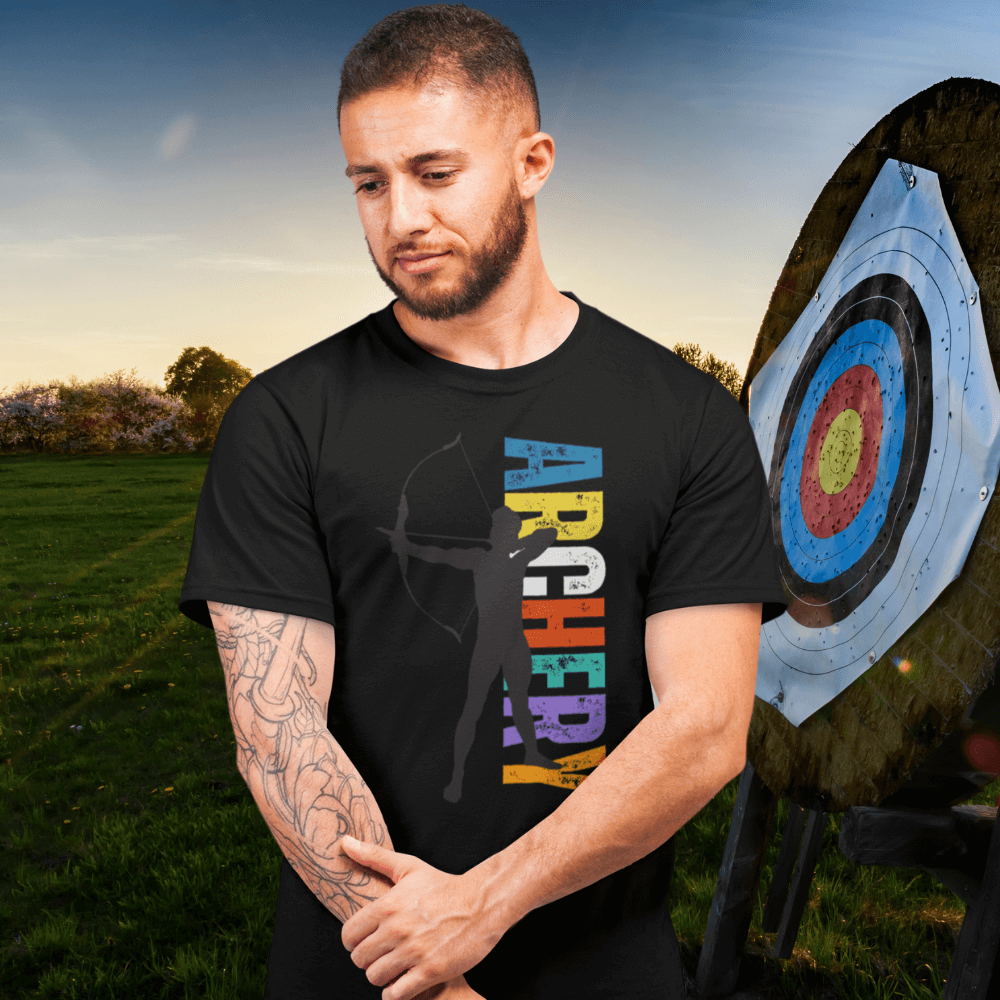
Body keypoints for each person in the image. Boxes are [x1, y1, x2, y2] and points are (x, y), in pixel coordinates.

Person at [178, 5, 787, 999]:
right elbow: (277, 730)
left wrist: (482, 903)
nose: (399, 218)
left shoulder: (682, 416)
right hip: (365, 971)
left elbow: (708, 725)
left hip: (605, 967)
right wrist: (429, 970)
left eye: (434, 172)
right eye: (367, 184)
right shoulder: (286, 416)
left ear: (532, 160)